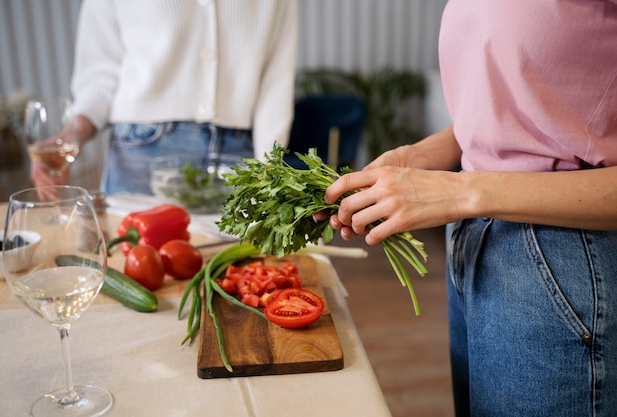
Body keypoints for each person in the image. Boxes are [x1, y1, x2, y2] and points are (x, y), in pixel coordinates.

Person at [320, 1, 617, 416]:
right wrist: (420, 155)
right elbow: (515, 107)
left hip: (562, 252)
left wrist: (459, 191)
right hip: (476, 240)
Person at [30, 0, 297, 195]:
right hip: (142, 154)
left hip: (240, 155)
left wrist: (269, 169)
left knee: (245, 269)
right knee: (129, 266)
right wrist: (75, 132)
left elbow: (277, 80)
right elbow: (99, 73)